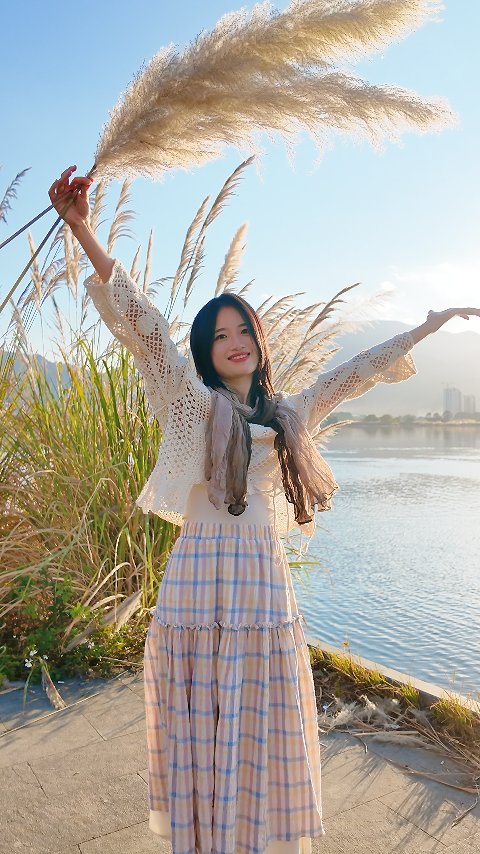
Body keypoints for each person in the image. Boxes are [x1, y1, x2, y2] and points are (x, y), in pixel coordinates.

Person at [49, 167, 480, 854]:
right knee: (202, 721)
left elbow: (354, 373)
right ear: (207, 351)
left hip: (260, 584)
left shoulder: (289, 416)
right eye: (219, 335)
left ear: (256, 338)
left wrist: (425, 330)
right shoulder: (188, 404)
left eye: (242, 328)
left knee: (259, 720)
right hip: (197, 585)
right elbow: (144, 327)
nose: (234, 341)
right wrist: (83, 228)